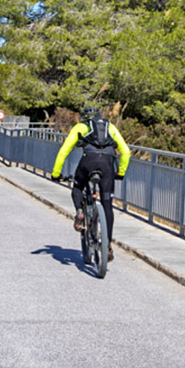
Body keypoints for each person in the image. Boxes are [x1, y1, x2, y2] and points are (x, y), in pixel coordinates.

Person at [50, 106, 131, 261]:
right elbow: (126, 151)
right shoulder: (110, 127)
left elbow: (64, 150)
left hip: (88, 162)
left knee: (78, 186)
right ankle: (107, 246)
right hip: (107, 164)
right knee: (107, 204)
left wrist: (55, 174)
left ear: (83, 117)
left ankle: (80, 212)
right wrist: (121, 172)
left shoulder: (80, 127)